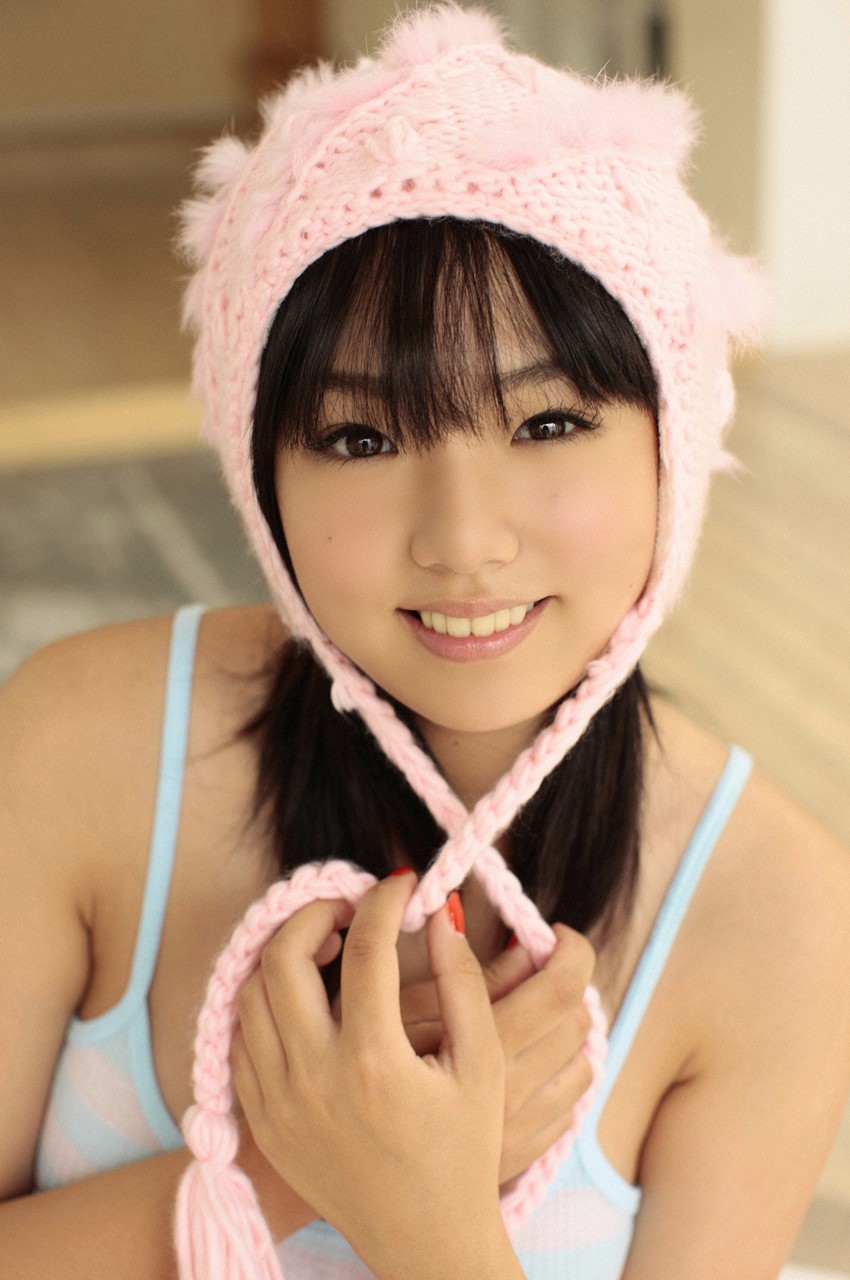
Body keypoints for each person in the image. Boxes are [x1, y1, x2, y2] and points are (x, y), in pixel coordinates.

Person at [1, 6, 848, 1278]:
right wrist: (291, 1164)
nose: (461, 541)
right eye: (361, 437)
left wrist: (421, 1210)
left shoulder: (774, 914)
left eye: (547, 422)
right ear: (262, 474)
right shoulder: (81, 741)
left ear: (672, 440)